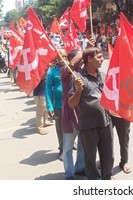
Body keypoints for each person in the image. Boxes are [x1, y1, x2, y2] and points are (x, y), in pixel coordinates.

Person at [68, 47, 114, 180]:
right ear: (89, 59)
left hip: (106, 123)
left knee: (108, 156)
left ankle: (107, 178)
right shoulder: (78, 78)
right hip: (88, 127)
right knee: (90, 158)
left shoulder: (103, 76)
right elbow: (72, 104)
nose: (102, 59)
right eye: (99, 57)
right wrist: (78, 90)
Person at [60, 49, 85, 180]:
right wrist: (85, 50)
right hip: (70, 115)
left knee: (82, 144)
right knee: (68, 145)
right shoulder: (65, 72)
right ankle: (69, 173)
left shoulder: (83, 72)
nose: (81, 61)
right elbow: (72, 65)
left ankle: (80, 168)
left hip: (83, 115)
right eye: (78, 59)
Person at [46, 49, 67, 160]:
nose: (63, 59)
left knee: (73, 127)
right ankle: (62, 149)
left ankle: (70, 144)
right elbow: (48, 89)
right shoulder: (51, 72)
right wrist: (49, 106)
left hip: (70, 105)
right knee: (60, 129)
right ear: (57, 58)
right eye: (61, 56)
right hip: (58, 106)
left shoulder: (70, 69)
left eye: (65, 56)